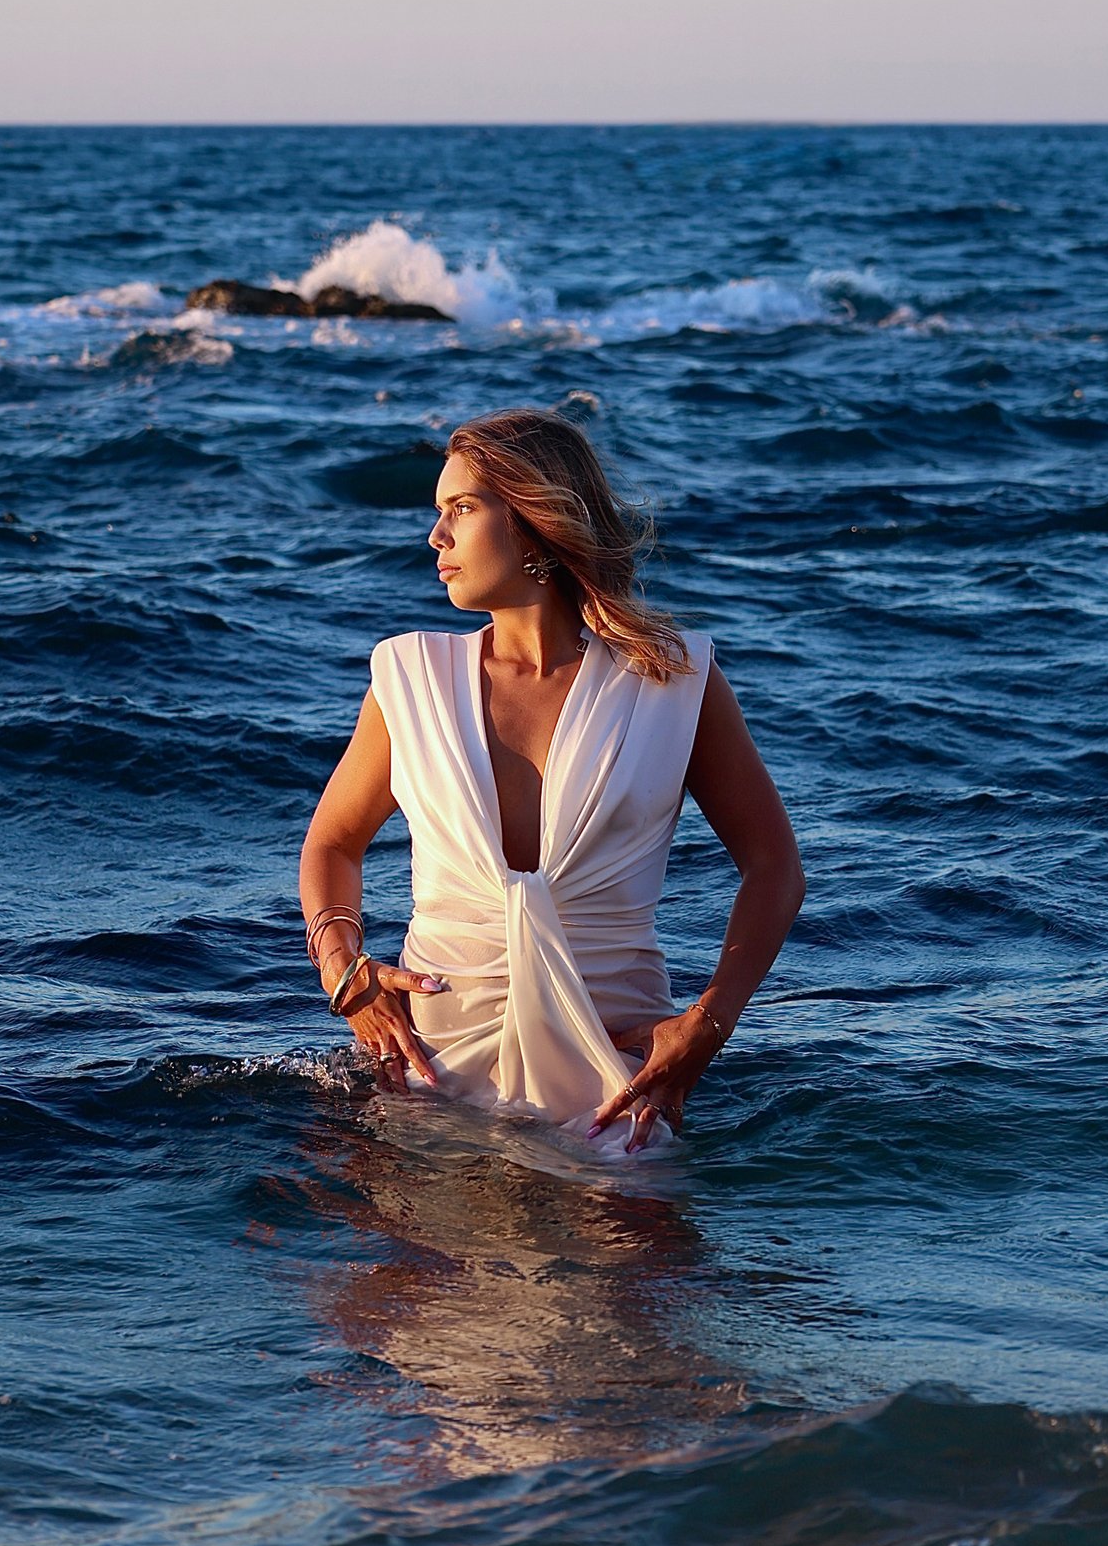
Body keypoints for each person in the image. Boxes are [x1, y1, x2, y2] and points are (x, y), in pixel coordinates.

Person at [298, 408, 805, 1152]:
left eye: (461, 509)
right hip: (426, 1072)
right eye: (438, 512)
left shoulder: (672, 682)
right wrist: (344, 972)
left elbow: (774, 865)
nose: (435, 537)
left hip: (618, 1082)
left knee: (634, 1225)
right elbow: (333, 843)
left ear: (533, 520)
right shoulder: (410, 679)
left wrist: (709, 1023)